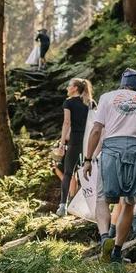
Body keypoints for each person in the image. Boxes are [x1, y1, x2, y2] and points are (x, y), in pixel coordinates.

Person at [82, 69, 136, 263]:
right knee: (129, 204)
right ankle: (116, 252)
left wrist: (88, 159)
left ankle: (105, 237)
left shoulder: (107, 98)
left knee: (103, 199)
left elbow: (96, 130)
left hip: (111, 151)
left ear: (122, 82)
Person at [55, 78, 93, 217]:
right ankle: (87, 206)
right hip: (89, 141)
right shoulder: (90, 103)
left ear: (75, 88)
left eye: (69, 86)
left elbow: (66, 123)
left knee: (68, 172)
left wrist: (62, 144)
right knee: (87, 173)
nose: (67, 88)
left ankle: (63, 207)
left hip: (75, 141)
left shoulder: (69, 103)